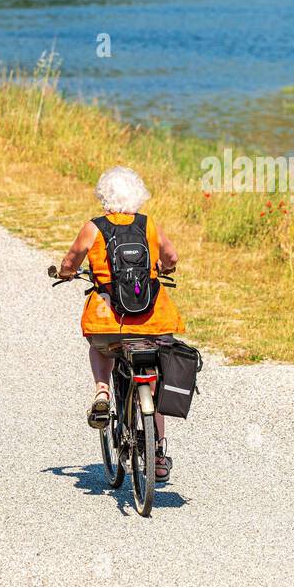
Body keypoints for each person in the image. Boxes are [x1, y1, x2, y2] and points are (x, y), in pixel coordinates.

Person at [57, 166, 184, 481]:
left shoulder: (94, 228)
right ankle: (158, 453)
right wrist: (161, 265)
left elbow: (71, 261)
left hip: (107, 321)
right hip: (152, 322)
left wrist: (66, 272)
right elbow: (172, 258)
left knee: (100, 346)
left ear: (104, 199)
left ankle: (103, 390)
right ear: (137, 198)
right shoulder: (149, 225)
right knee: (153, 378)